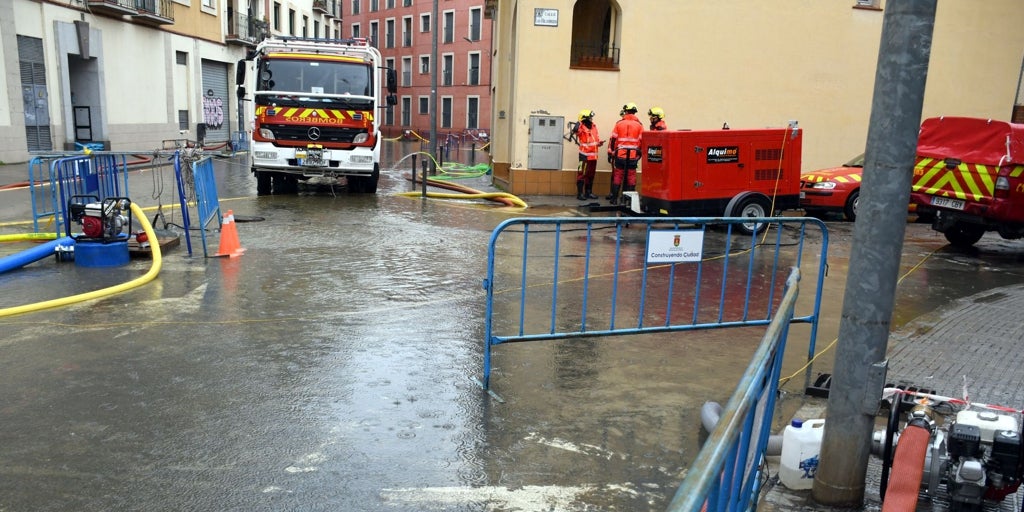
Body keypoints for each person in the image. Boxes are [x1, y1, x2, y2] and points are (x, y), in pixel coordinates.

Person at [606, 102, 644, 205]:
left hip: (620, 155)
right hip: (632, 156)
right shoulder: (639, 125)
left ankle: (614, 199)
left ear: (626, 111)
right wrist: (639, 155)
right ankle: (628, 200)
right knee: (631, 177)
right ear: (635, 112)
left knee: (618, 176)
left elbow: (613, 139)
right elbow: (642, 141)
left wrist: (610, 152)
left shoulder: (619, 123)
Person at [574, 110, 602, 200]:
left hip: (593, 156)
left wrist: (599, 143)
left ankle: (588, 192)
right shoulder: (581, 128)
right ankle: (580, 194)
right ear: (585, 119)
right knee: (581, 174)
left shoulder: (594, 126)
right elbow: (575, 130)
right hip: (583, 156)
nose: (591, 119)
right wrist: (579, 121)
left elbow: (594, 139)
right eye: (589, 117)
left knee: (590, 175)